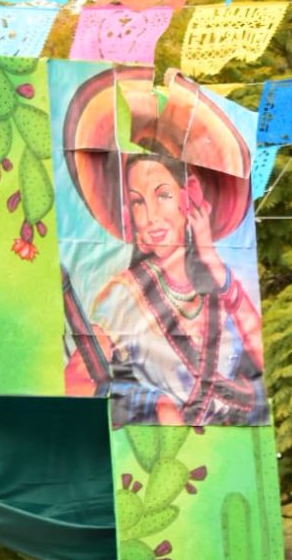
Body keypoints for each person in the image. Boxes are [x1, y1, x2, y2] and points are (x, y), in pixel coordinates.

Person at [61, 67, 266, 427]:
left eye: (164, 195)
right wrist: (150, 403)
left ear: (191, 199)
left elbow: (259, 360)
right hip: (159, 459)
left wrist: (213, 264)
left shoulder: (221, 285)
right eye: (138, 202)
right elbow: (77, 385)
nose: (151, 216)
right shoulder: (123, 296)